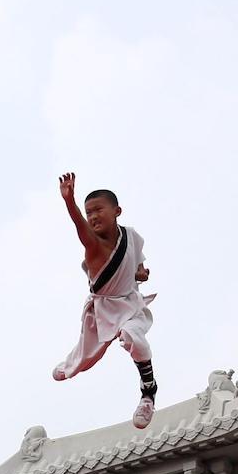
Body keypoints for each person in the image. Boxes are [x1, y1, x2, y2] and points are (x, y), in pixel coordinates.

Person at [51, 173, 157, 430]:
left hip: (129, 306)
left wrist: (140, 272)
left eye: (98, 209)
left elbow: (137, 259)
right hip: (102, 309)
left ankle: (148, 392)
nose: (93, 216)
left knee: (134, 338)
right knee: (86, 356)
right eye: (89, 213)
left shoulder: (130, 236)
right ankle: (72, 363)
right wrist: (69, 202)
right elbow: (80, 227)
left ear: (117, 211)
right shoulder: (93, 245)